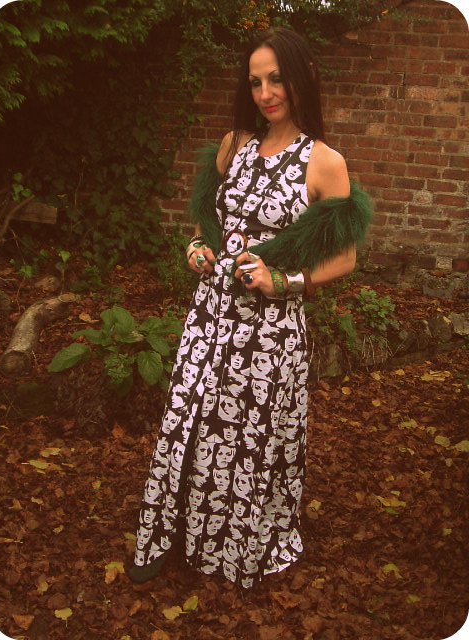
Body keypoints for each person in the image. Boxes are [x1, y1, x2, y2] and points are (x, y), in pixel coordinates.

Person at [128, 26, 372, 588]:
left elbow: (345, 258)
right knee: (186, 420)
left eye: (276, 79)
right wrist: (197, 246)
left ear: (302, 77)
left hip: (269, 331)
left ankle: (232, 548)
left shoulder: (324, 162)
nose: (265, 93)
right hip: (209, 315)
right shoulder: (234, 144)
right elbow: (210, 219)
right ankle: (165, 535)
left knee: (246, 439)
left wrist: (282, 280)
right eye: (255, 82)